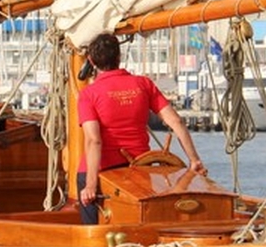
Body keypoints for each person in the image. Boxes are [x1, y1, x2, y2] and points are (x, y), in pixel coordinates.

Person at [76, 33, 206, 222]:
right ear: (119, 57)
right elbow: (176, 122)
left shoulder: (89, 94)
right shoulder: (143, 84)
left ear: (91, 61)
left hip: (101, 170)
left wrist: (90, 185)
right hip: (138, 168)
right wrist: (194, 160)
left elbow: (94, 140)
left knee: (94, 230)